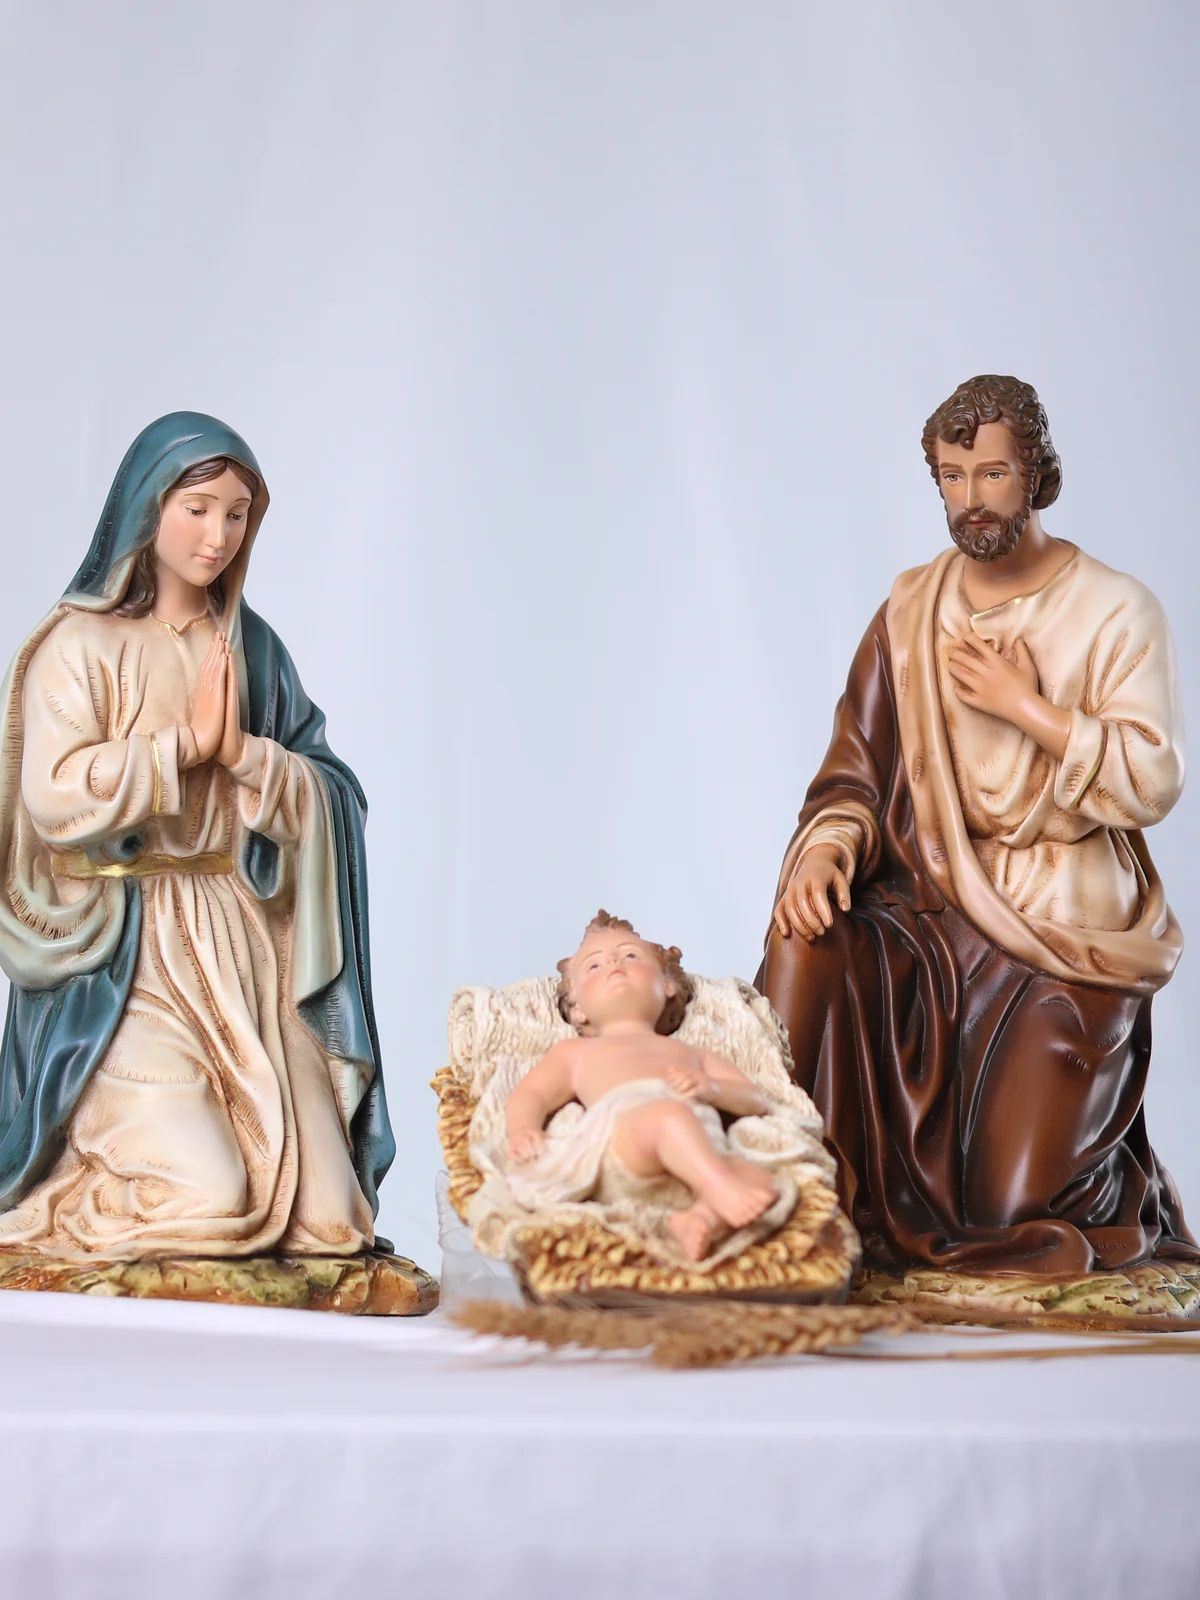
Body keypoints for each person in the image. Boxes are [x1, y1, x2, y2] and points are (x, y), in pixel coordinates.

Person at [759, 375, 1197, 1276]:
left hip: (1061, 924)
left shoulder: (1117, 609)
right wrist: (828, 846)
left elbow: (1153, 781)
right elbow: (856, 770)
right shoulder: (912, 608)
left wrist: (1027, 708)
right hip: (928, 911)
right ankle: (778, 1205)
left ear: (1035, 474)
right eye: (952, 478)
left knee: (1017, 1214)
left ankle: (1112, 1189)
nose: (971, 500)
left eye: (992, 474)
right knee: (806, 939)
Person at [0, 413, 393, 1257]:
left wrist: (244, 755)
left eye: (237, 514)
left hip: (242, 941)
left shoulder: (254, 649)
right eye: (198, 509)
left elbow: (334, 792)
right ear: (148, 507)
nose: (218, 536)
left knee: (333, 1223)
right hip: (126, 952)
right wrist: (180, 748)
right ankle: (69, 1194)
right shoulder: (80, 644)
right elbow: (51, 798)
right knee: (211, 1195)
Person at [505, 911, 779, 1260]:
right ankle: (719, 1188)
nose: (614, 964)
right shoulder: (576, 1052)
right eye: (594, 965)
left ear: (667, 985)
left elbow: (754, 1099)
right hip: (627, 1146)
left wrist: (710, 1088)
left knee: (765, 1180)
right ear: (577, 1007)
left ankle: (699, 1219)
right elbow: (531, 1093)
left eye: (631, 956)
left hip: (700, 1149)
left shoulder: (690, 1053)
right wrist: (522, 1129)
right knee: (668, 1118)